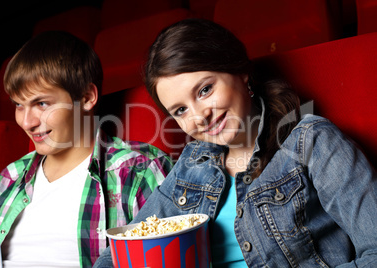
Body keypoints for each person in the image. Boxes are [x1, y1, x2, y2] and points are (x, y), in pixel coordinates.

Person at [94, 18, 377, 267]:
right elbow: (122, 249)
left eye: (205, 90)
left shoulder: (313, 141)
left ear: (241, 72)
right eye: (180, 110)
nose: (200, 116)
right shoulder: (193, 162)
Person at [0, 31, 173, 268]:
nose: (27, 122)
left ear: (87, 97)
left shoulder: (138, 170)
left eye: (41, 103)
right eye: (19, 104)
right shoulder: (10, 178)